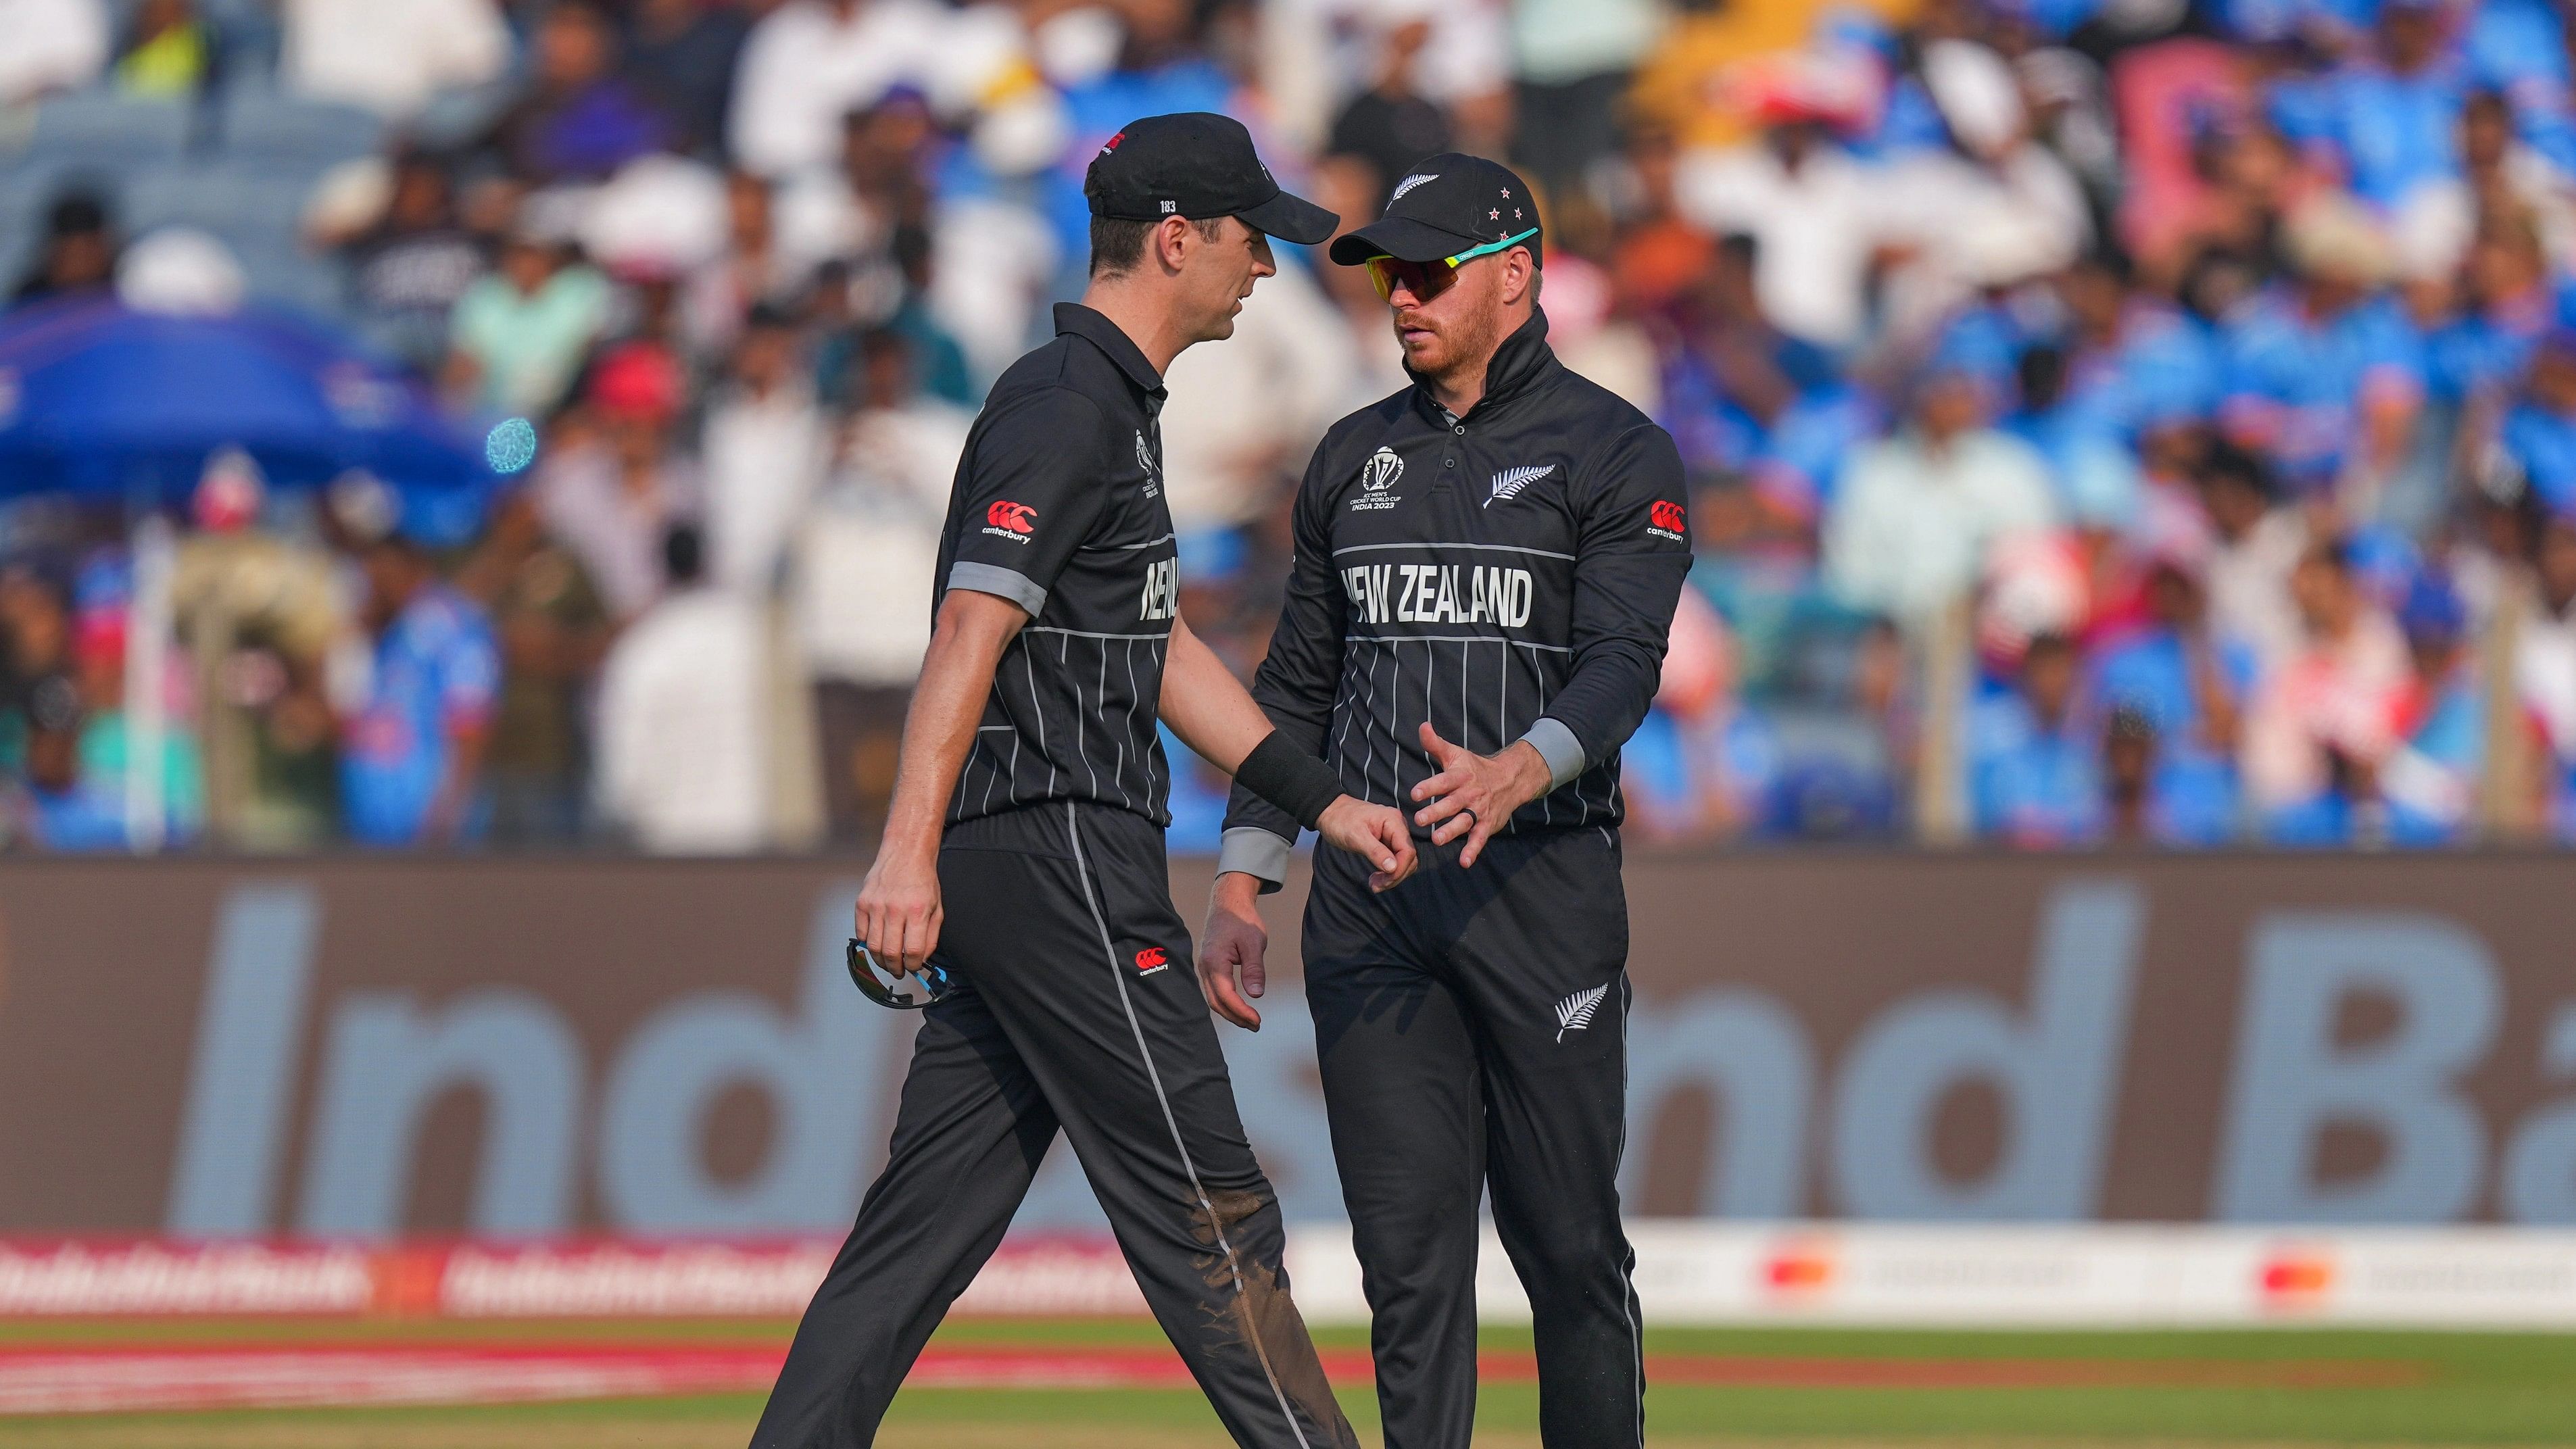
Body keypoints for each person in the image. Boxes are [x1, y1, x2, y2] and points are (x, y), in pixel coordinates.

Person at [752, 114, 1411, 1449]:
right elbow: (967, 632)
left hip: (1030, 860)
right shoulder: (1066, 406)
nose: (1267, 271)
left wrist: (1323, 798)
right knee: (1210, 1207)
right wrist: (902, 853)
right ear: (1176, 240)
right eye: (1248, 243)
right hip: (1059, 851)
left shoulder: (1108, 408)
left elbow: (1153, 645)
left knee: (918, 1235)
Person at [1201, 153, 1692, 1449]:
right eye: (1388, 274)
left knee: (1570, 1248)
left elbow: (1623, 663)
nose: (1400, 296)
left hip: (1541, 891)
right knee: (1408, 1271)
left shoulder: (1616, 448)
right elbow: (1294, 683)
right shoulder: (1350, 456)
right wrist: (1244, 875)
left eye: (1428, 272)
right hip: (1375, 905)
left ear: (1516, 275)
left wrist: (1521, 764)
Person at [593, 524, 768, 852]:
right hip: (755, 828)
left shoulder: (642, 648)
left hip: (669, 838)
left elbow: (622, 772)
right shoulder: (756, 636)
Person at [337, 516, 500, 848]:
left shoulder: (450, 625)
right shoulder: (392, 632)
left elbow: (470, 721)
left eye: (379, 576)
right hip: (379, 834)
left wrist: (447, 813)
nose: (371, 589)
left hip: (433, 834)